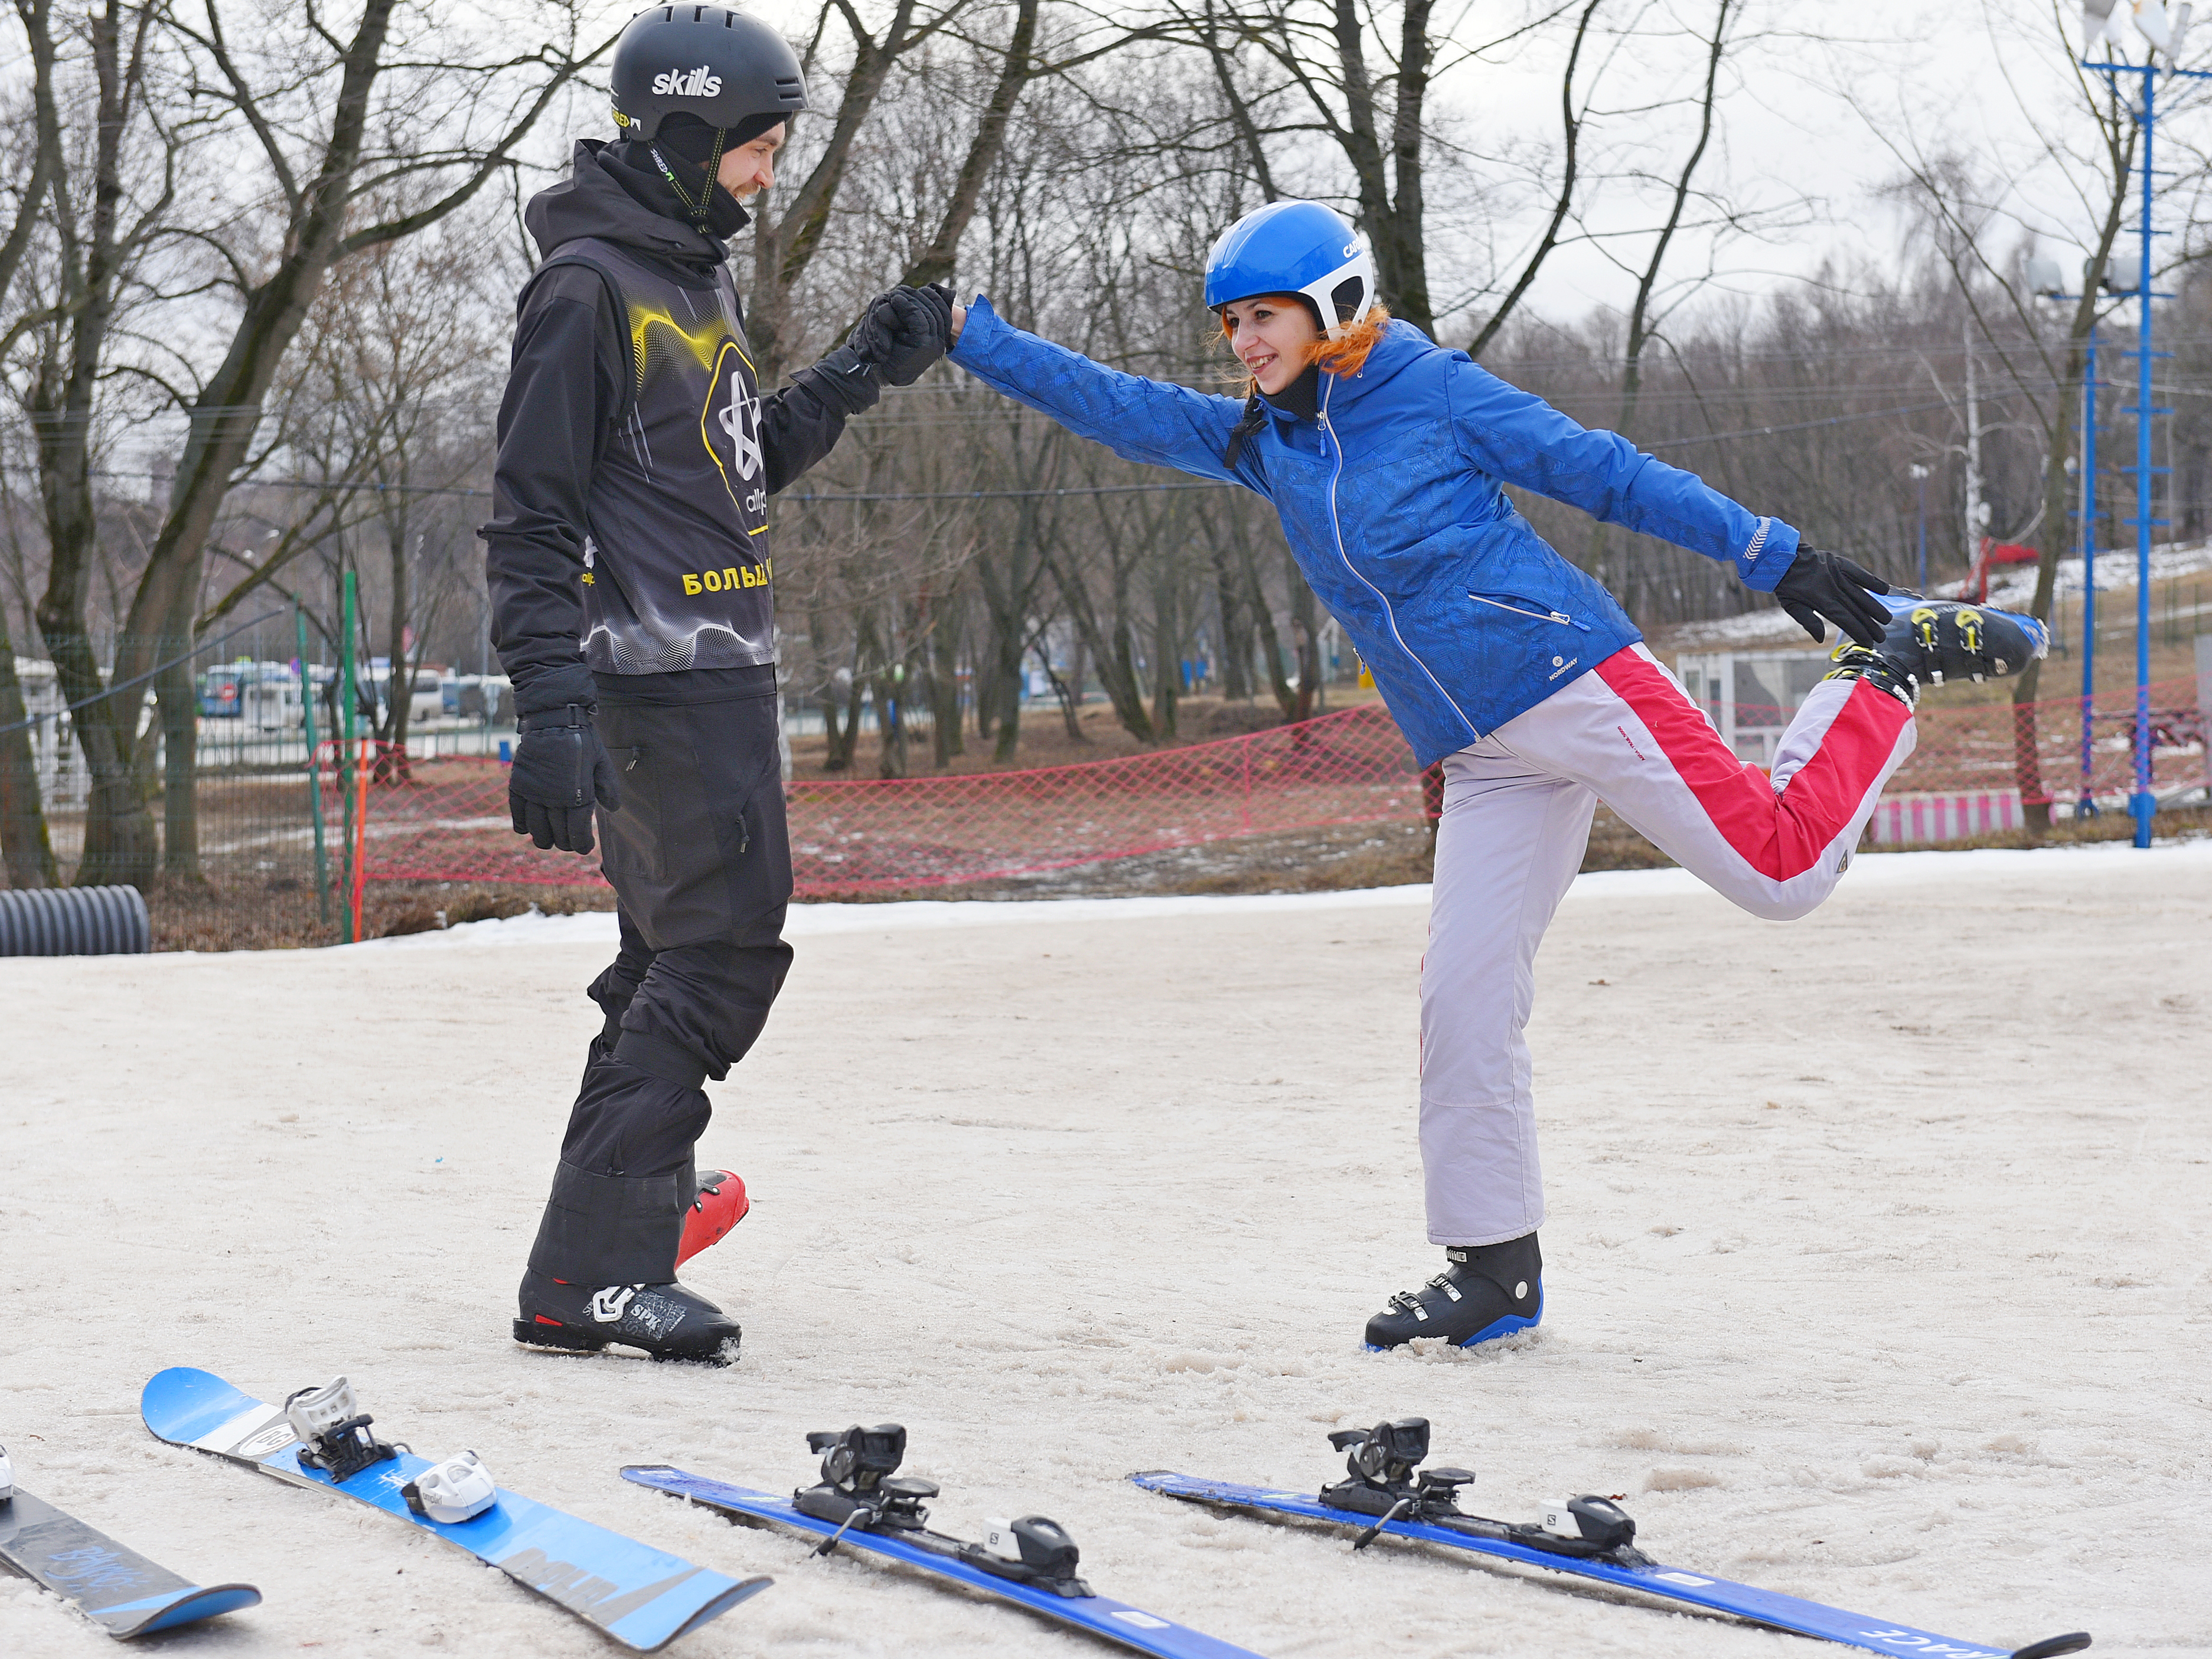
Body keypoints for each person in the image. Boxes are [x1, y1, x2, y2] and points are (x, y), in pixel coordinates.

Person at [944, 199, 2046, 1351]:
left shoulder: (1430, 391)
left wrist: (1773, 553)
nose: (1242, 344)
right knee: (1460, 1001)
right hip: (1477, 754)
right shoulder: (1264, 441)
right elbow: (1115, 410)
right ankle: (1492, 1269)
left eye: (1262, 317)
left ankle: (1882, 669)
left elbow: (1600, 471)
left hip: (1570, 674)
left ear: (1329, 306)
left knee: (1778, 871)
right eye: (1229, 324)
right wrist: (975, 335)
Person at [482, 5, 953, 1364]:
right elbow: (531, 515)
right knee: (719, 958)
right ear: (688, 136)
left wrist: (862, 370)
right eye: (755, 148)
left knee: (666, 961)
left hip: (722, 677)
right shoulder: (588, 289)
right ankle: (594, 1280)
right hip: (656, 686)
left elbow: (732, 471)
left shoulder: (692, 279)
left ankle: (610, 1233)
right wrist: (549, 707)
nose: (765, 173)